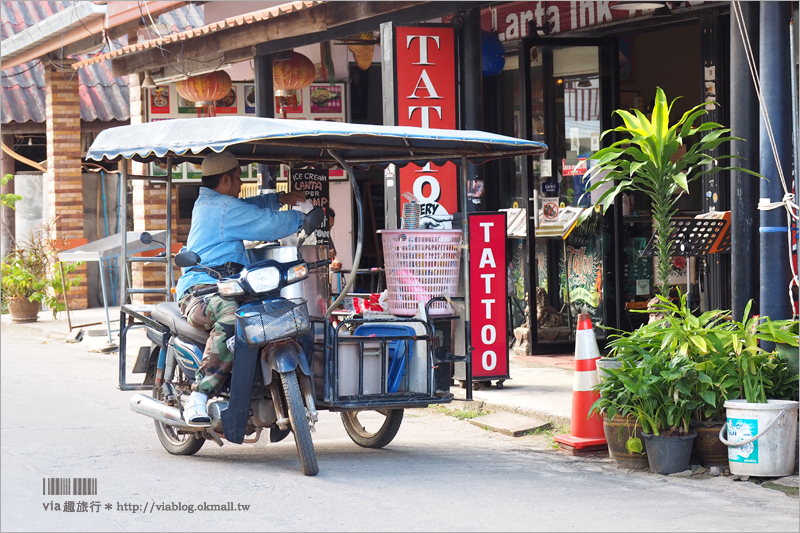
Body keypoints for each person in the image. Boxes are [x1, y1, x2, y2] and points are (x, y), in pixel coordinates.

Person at [175, 151, 306, 423]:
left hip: (231, 286)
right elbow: (266, 224)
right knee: (231, 317)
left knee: (275, 312)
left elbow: (247, 207)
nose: (240, 182)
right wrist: (303, 218)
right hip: (201, 291)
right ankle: (198, 397)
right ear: (225, 180)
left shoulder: (217, 203)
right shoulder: (221, 209)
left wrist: (278, 199)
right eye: (237, 178)